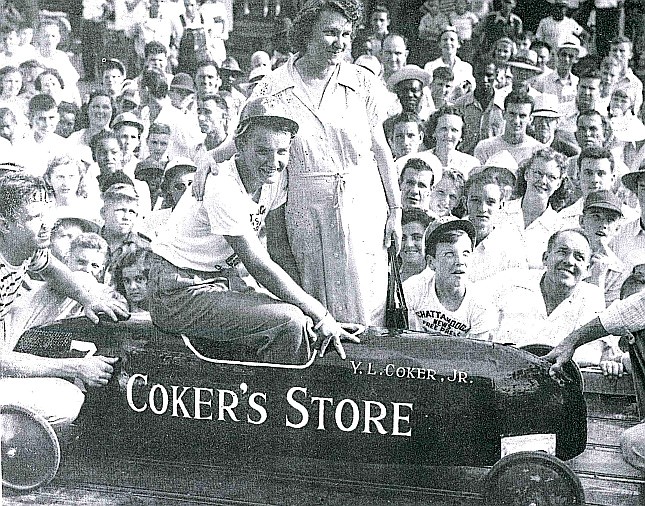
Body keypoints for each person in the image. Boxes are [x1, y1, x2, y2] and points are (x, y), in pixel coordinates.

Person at [226, 0, 402, 327]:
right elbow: (253, 153)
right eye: (330, 33)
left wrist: (396, 211)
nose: (340, 42)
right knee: (319, 308)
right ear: (307, 34)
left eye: (346, 34)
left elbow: (381, 150)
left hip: (364, 210)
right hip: (307, 211)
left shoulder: (361, 82)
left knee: (370, 307)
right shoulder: (273, 89)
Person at [150, 97, 359, 364]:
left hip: (215, 283)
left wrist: (312, 309)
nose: (273, 161)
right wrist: (321, 314)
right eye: (262, 151)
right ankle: (276, 404)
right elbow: (258, 265)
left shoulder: (272, 178)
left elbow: (279, 249)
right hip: (176, 292)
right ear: (240, 146)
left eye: (281, 151)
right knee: (289, 322)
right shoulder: (221, 185)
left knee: (299, 315)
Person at [0, 173, 128, 433]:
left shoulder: (27, 246)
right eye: (35, 218)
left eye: (47, 214)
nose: (47, 224)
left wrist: (90, 299)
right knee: (66, 401)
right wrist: (74, 367)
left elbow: (54, 271)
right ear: (5, 224)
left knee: (82, 281)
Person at [488, 229, 614, 366]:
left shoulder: (592, 297)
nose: (570, 261)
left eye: (579, 257)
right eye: (562, 252)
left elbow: (592, 355)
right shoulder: (512, 281)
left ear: (587, 269)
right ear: (545, 258)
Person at [402, 219, 497, 340]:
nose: (460, 261)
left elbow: (477, 355)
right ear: (431, 262)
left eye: (465, 253)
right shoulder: (413, 290)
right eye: (449, 254)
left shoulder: (481, 305)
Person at [495, 147, 567, 268]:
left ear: (558, 184)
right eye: (538, 173)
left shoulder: (560, 228)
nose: (543, 181)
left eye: (551, 177)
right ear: (527, 174)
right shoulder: (500, 212)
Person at [464, 171, 525, 281]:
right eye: (475, 200)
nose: (482, 209)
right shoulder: (450, 235)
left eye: (490, 202)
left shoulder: (511, 248)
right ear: (465, 202)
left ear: (501, 205)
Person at [579, 190, 627, 307]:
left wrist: (597, 279)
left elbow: (603, 317)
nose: (603, 225)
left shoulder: (618, 271)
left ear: (617, 229)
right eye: (596, 216)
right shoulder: (564, 249)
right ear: (581, 221)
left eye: (610, 220)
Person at [474, 90, 543, 165]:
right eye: (512, 114)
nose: (516, 121)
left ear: (530, 119)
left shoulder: (538, 150)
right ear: (504, 114)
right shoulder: (485, 147)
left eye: (522, 116)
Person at [400, 207, 431, 282]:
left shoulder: (434, 279)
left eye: (417, 237)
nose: (409, 244)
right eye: (402, 238)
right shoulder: (387, 275)